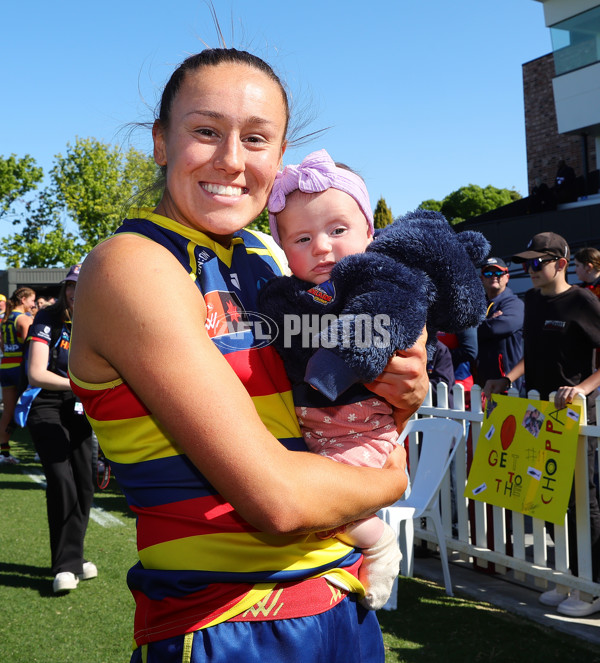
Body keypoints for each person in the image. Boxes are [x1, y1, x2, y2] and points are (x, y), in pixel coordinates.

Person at [68, 48, 428, 663]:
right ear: (160, 142)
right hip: (227, 619)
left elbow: (351, 394)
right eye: (205, 131)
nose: (231, 161)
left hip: (340, 595)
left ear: (279, 158)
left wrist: (405, 389)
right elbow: (279, 501)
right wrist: (390, 481)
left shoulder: (269, 255)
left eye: (256, 139)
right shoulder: (131, 265)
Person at [262, 150, 407, 611]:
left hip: (359, 428)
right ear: (283, 249)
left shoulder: (379, 288)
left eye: (338, 231)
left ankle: (381, 543)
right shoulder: (284, 296)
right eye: (302, 238)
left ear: (370, 231)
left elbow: (395, 337)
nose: (321, 247)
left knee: (325, 505)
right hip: (308, 430)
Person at [484, 232, 600, 617]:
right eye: (526, 264)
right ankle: (568, 574)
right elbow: (532, 353)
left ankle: (593, 584)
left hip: (575, 417)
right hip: (537, 414)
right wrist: (510, 378)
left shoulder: (583, 301)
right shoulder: (531, 302)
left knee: (579, 500)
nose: (529, 270)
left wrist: (582, 388)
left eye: (538, 263)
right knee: (542, 493)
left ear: (561, 264)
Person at [26, 265, 97, 593]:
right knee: (62, 481)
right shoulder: (46, 320)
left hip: (81, 406)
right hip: (47, 405)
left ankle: (76, 556)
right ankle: (65, 566)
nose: (73, 292)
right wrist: (77, 384)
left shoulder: (97, 318)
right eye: (70, 286)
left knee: (84, 483)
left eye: (80, 286)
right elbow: (36, 373)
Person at [476, 257, 524, 395]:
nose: (494, 277)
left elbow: (500, 327)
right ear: (482, 279)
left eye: (498, 273)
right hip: (481, 383)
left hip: (508, 384)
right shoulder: (478, 305)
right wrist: (489, 321)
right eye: (488, 274)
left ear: (507, 277)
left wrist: (476, 326)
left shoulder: (514, 304)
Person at [0, 286, 36, 464]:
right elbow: (31, 346)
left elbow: (2, 343)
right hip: (20, 369)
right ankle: (39, 450)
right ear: (23, 300)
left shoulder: (6, 318)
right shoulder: (23, 319)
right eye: (31, 300)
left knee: (8, 410)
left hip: (5, 366)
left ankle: (4, 452)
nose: (33, 304)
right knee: (33, 407)